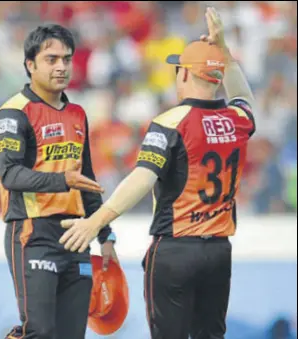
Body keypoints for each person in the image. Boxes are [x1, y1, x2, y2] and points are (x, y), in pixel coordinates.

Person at [59, 7, 256, 339]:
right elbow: (244, 97)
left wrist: (97, 220)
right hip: (219, 252)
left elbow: (142, 178)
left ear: (184, 75)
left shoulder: (171, 122)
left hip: (175, 250)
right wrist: (222, 51)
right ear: (218, 78)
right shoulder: (237, 118)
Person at [0, 24, 118, 339]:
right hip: (33, 233)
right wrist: (62, 180)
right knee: (40, 332)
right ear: (30, 65)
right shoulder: (12, 113)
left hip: (76, 235)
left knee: (71, 335)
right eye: (51, 59)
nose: (61, 66)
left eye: (66, 59)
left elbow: (86, 178)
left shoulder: (77, 113)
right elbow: (10, 175)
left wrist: (105, 235)